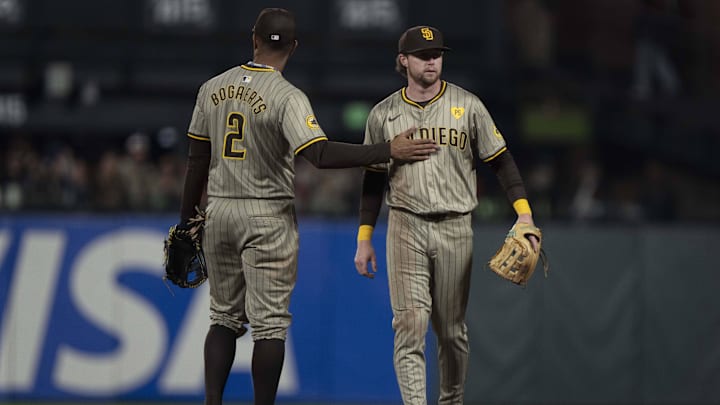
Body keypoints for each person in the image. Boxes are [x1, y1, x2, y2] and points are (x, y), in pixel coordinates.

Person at [177, 8, 438, 405]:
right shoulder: (287, 96)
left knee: (223, 318)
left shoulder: (212, 87)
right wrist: (388, 149)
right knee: (270, 326)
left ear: (254, 39)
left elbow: (197, 160)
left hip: (220, 210)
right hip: (267, 215)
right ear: (294, 48)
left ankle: (213, 401)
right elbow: (318, 154)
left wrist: (185, 222)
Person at [353, 26, 540, 405]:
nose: (432, 60)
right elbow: (373, 180)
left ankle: (451, 400)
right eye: (423, 54)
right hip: (405, 224)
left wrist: (525, 215)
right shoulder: (383, 114)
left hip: (456, 226)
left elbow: (501, 161)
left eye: (437, 53)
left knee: (451, 331)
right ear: (404, 60)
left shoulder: (468, 105)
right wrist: (364, 237)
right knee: (410, 324)